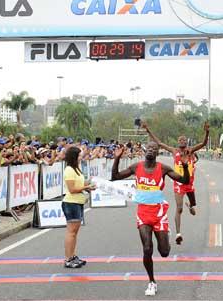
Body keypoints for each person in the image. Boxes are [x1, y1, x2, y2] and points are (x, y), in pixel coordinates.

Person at [111, 142, 190, 296]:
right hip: (143, 214)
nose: (151, 150)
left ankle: (165, 234)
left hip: (159, 214)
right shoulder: (136, 167)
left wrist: (186, 167)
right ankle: (152, 282)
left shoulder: (163, 168)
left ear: (157, 153)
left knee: (164, 252)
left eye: (155, 149)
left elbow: (185, 181)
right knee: (147, 248)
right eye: (149, 148)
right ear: (145, 150)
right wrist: (116, 159)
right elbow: (115, 177)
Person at [143, 121, 209, 245]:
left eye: (184, 140)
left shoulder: (191, 150)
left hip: (189, 183)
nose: (182, 141)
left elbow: (204, 143)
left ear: (186, 142)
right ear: (178, 142)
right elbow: (159, 143)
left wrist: (207, 132)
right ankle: (178, 234)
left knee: (193, 204)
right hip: (179, 183)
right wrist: (148, 130)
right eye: (180, 140)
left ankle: (191, 205)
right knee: (179, 208)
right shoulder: (174, 151)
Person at [62, 146, 96, 269]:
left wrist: (90, 183)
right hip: (71, 203)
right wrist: (86, 188)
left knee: (75, 232)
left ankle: (73, 255)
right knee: (71, 232)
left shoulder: (76, 169)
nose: (81, 158)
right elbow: (72, 189)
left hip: (78, 202)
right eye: (79, 156)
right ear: (74, 157)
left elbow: (80, 184)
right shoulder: (69, 170)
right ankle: (68, 258)